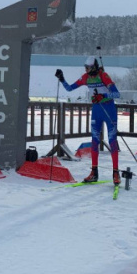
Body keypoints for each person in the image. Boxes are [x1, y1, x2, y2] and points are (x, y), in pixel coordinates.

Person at [55, 56, 122, 185]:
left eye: (88, 68)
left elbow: (116, 94)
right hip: (96, 111)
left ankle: (115, 172)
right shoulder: (85, 78)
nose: (86, 70)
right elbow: (69, 88)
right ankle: (94, 172)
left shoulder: (103, 76)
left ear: (94, 67)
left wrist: (103, 96)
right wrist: (62, 79)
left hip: (109, 111)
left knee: (112, 141)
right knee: (94, 141)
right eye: (85, 68)